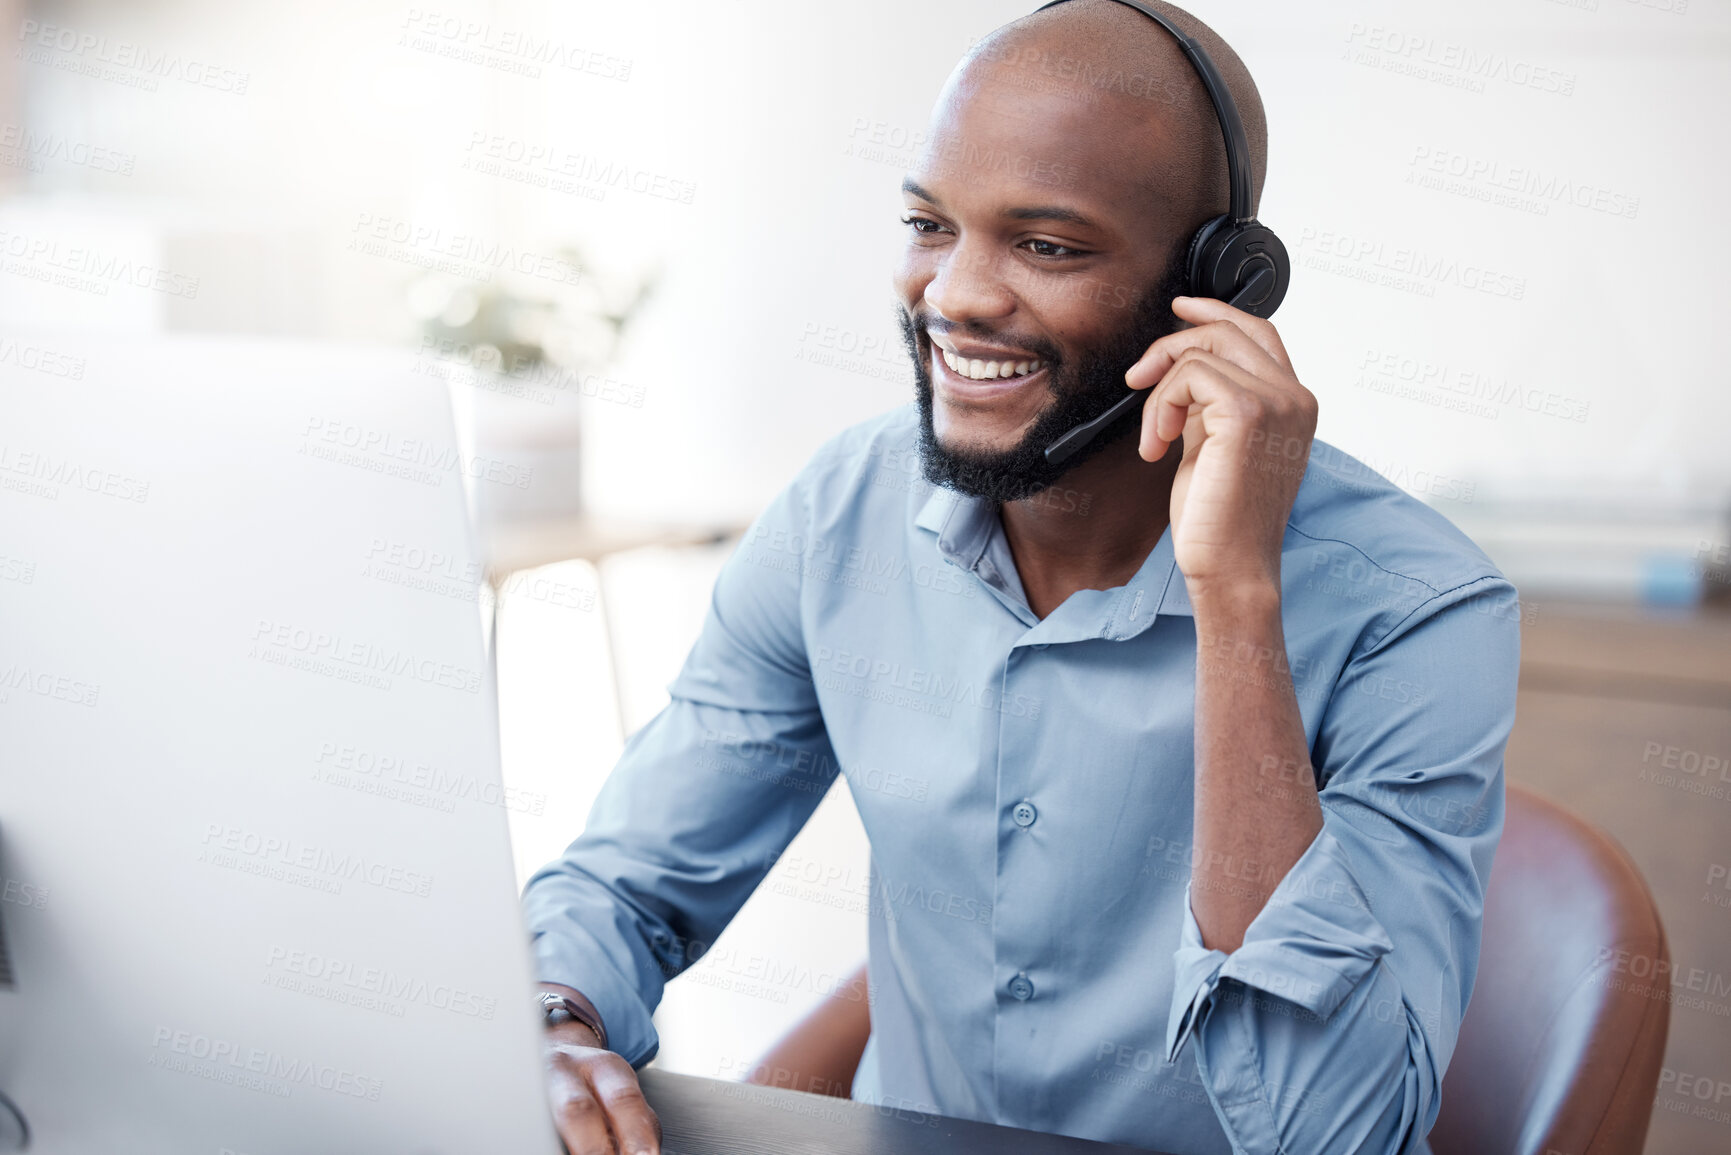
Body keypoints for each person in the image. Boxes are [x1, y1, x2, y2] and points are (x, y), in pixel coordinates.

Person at [523, 2, 1521, 1152]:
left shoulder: (1420, 611)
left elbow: (1341, 1137)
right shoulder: (840, 516)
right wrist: (554, 1018)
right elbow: (626, 882)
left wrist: (1238, 596)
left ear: (1222, 287)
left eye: (1045, 245)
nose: (955, 294)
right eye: (929, 223)